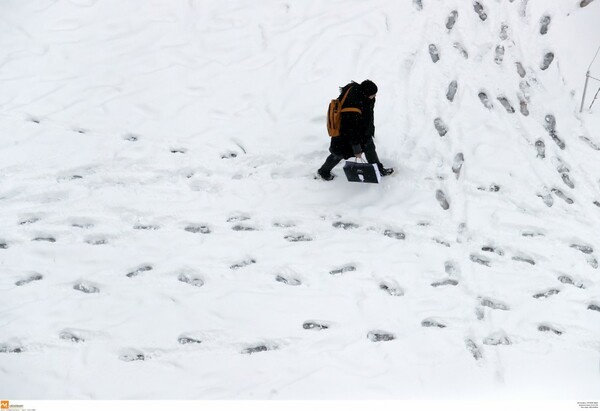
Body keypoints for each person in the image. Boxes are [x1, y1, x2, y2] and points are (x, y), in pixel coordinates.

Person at [317, 79, 394, 181]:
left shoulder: (357, 90)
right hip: (344, 133)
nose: (374, 97)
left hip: (361, 131)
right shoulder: (352, 108)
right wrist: (357, 149)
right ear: (366, 94)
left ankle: (378, 170)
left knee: (369, 148)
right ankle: (323, 172)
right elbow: (352, 130)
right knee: (339, 153)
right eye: (373, 95)